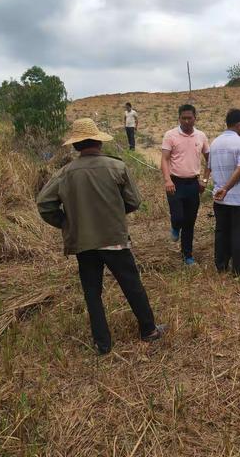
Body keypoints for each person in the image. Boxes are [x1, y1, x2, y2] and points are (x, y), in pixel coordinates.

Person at [37, 118, 165, 355]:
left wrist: (66, 222)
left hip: (84, 243)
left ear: (76, 146)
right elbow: (134, 201)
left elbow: (44, 204)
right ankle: (149, 330)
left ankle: (102, 343)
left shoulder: (64, 173)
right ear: (98, 141)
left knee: (92, 292)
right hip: (114, 238)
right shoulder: (116, 167)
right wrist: (116, 213)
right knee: (132, 284)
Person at [202, 109, 240, 276]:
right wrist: (227, 188)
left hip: (219, 199)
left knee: (222, 231)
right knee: (239, 233)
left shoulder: (215, 143)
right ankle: (239, 269)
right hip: (237, 199)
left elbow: (208, 167)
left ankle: (221, 265)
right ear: (239, 124)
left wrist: (206, 182)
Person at [161, 104, 209, 265]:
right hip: (175, 183)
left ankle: (187, 254)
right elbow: (165, 159)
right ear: (179, 118)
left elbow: (210, 159)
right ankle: (175, 226)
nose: (187, 121)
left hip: (193, 184)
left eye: (190, 118)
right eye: (184, 118)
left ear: (195, 118)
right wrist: (167, 180)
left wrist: (204, 180)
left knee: (190, 221)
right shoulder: (170, 135)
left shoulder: (201, 136)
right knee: (179, 217)